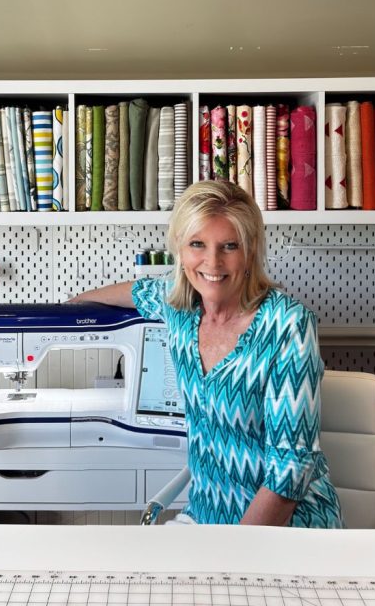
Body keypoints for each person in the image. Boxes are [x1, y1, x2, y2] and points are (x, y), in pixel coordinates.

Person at [71, 180, 343, 528]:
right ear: (180, 251)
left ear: (250, 250)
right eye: (197, 244)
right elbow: (137, 292)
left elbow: (290, 469)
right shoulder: (180, 307)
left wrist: (229, 557)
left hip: (287, 528)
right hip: (206, 515)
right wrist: (74, 304)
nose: (212, 262)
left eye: (229, 246)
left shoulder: (287, 325)